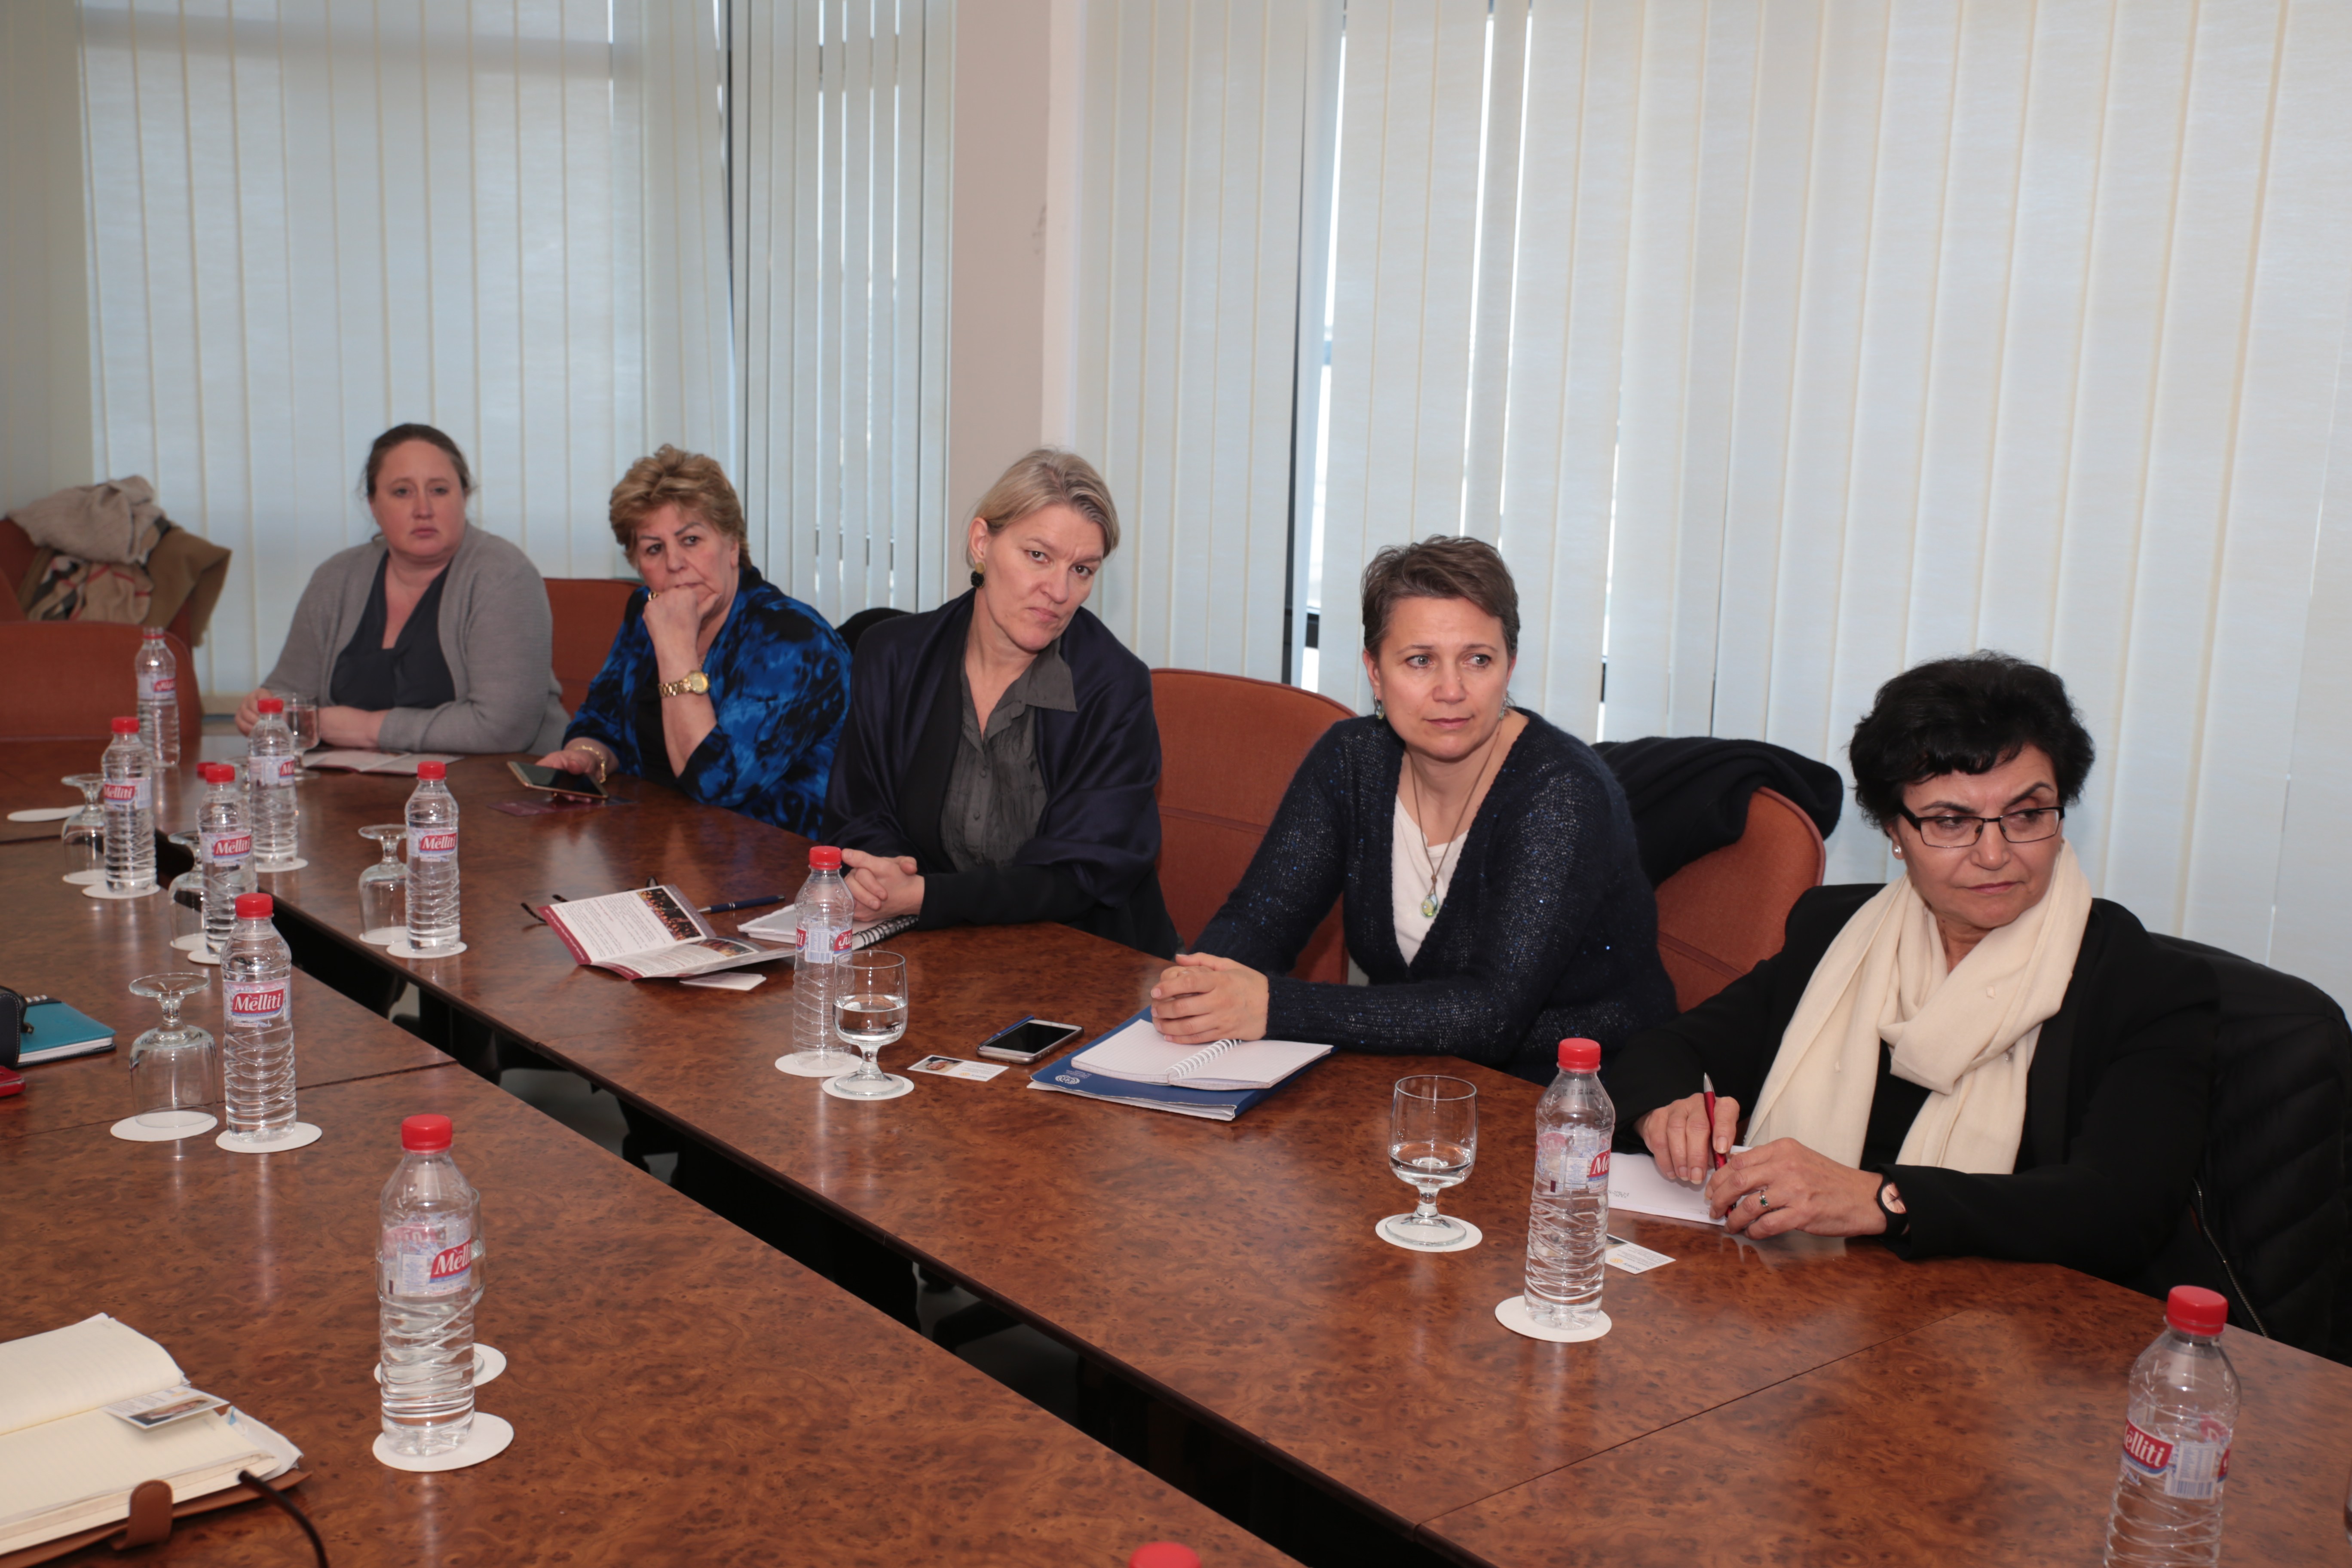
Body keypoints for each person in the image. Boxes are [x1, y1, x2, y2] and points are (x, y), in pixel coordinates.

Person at [1608, 652, 2218, 1283]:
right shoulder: (1837, 934)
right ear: (1894, 833)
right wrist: (1670, 1112)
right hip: (1809, 1298)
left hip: (2019, 1318)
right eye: (1951, 822)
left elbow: (2120, 1210)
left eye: (2027, 816)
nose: (1994, 854)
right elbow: (1667, 1050)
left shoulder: (2146, 986)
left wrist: (1885, 1200)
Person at [1154, 536, 1676, 1084]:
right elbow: (1261, 918)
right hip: (1414, 1081)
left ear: (1509, 669)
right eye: (1420, 661)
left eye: (1478, 660)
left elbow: (1491, 1015)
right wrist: (1204, 986)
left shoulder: (1562, 794)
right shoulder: (1352, 761)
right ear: (1375, 673)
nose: (1451, 690)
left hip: (1570, 1100)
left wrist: (1272, 1007)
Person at [821, 448, 1179, 956]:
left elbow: (1079, 875)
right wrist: (885, 878)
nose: (1059, 591)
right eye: (1039, 556)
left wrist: (924, 896)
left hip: (1084, 958)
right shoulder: (893, 655)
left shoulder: (1116, 687)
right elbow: (858, 812)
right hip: (933, 950)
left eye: (1082, 569)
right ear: (982, 543)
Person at [538, 447, 850, 835]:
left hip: (771, 859)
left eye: (690, 540)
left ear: (732, 545)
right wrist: (586, 758)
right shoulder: (647, 610)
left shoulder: (793, 641)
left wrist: (675, 647)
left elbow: (716, 782)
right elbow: (601, 720)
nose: (674, 564)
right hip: (654, 841)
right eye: (654, 548)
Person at [239, 424, 567, 753]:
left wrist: (368, 729)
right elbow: (288, 693)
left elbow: (503, 728)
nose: (423, 509)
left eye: (439, 490)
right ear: (373, 505)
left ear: (464, 497)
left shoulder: (503, 576)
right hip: (353, 782)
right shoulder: (336, 578)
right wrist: (265, 711)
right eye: (402, 492)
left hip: (494, 780)